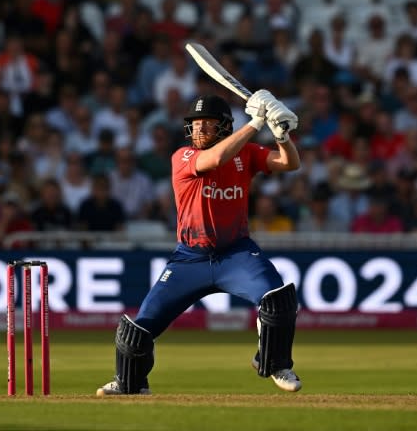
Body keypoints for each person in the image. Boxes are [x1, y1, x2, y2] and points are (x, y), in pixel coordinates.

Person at [95, 90, 303, 396]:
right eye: (194, 124)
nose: (198, 129)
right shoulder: (183, 156)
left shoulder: (247, 153)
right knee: (137, 331)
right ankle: (132, 383)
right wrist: (257, 120)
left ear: (223, 126)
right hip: (189, 259)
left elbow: (290, 164)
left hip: (236, 254)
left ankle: (275, 363)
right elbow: (216, 158)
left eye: (206, 123)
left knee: (277, 301)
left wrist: (281, 134)